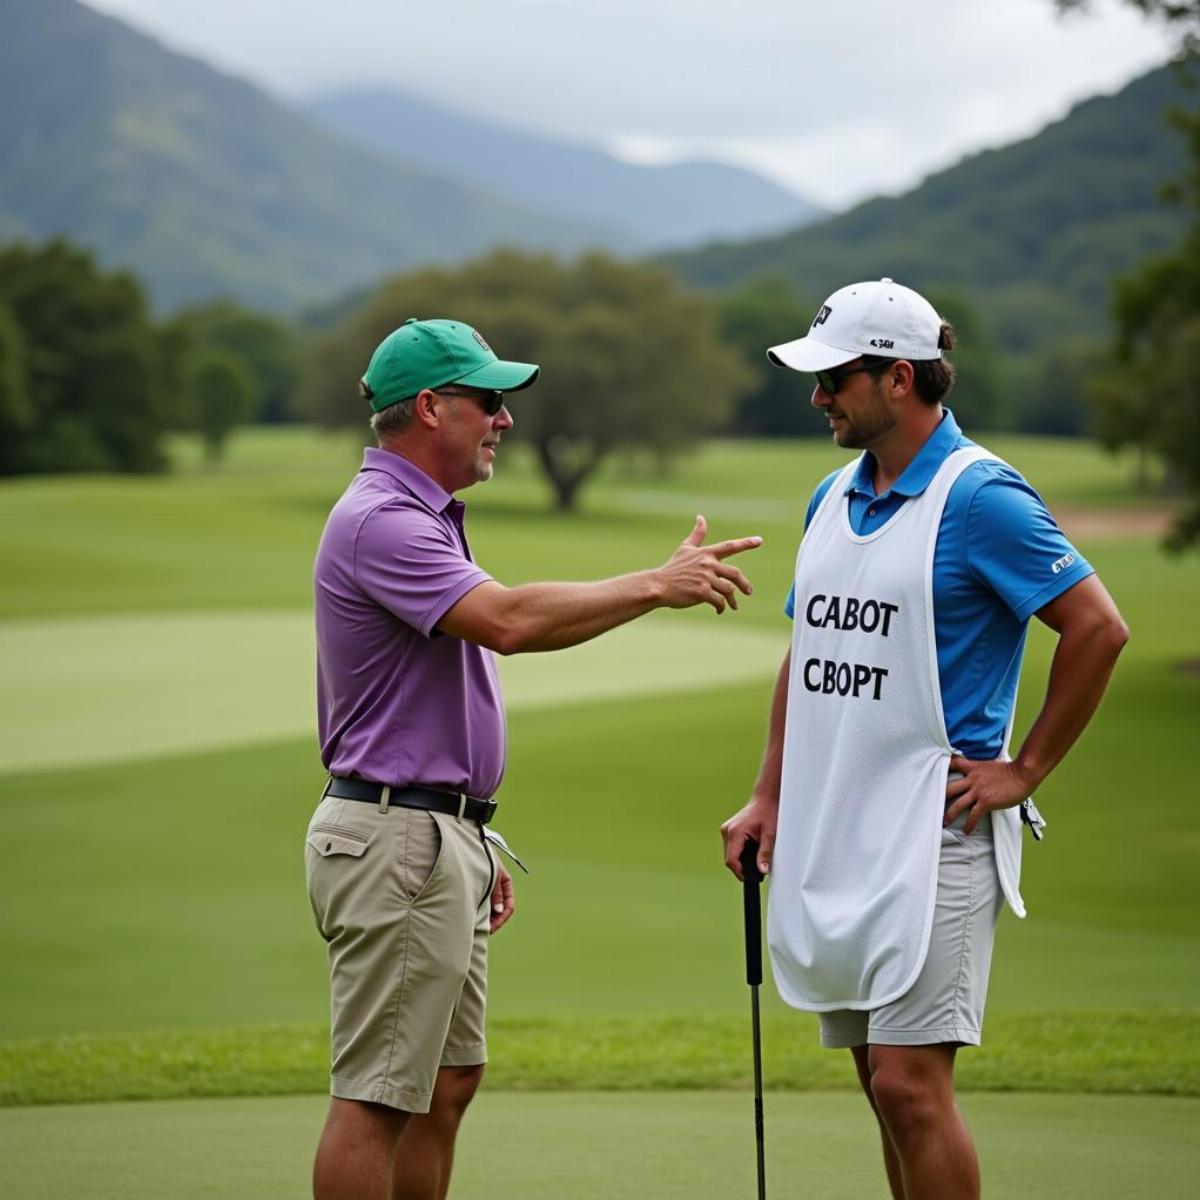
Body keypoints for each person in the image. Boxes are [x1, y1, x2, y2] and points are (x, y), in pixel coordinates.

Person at [307, 316, 761, 1200]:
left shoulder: (422, 517)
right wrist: (655, 585)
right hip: (397, 837)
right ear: (432, 408)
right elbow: (510, 623)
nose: (506, 420)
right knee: (378, 1097)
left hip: (436, 836)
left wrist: (467, 841)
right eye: (490, 401)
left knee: (445, 1083)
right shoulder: (382, 522)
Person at [720, 279, 1128, 1200]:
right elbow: (809, 651)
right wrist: (769, 794)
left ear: (898, 379)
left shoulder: (981, 496)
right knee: (880, 1083)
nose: (818, 396)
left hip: (934, 833)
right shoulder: (833, 494)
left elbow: (1099, 626)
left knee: (910, 1084)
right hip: (841, 829)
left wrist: (1024, 769)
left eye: (835, 379)